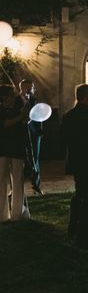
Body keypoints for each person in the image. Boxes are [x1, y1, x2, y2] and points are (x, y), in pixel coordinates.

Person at [61, 84, 88, 241]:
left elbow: (63, 139)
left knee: (80, 193)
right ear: (87, 97)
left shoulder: (69, 116)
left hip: (76, 160)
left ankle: (72, 227)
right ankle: (83, 231)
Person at [0, 85, 30, 222]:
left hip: (17, 147)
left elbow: (24, 123)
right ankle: (2, 214)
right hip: (3, 148)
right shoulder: (3, 109)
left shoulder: (18, 106)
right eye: (11, 95)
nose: (14, 97)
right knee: (2, 180)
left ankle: (17, 214)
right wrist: (21, 116)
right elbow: (5, 124)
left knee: (18, 180)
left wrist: (25, 116)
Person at [19, 79, 44, 195]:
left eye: (32, 88)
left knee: (35, 158)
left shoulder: (34, 100)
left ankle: (36, 186)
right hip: (20, 133)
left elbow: (39, 116)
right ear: (21, 88)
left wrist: (40, 130)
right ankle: (18, 187)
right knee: (21, 159)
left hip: (34, 133)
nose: (30, 90)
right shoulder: (16, 101)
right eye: (28, 88)